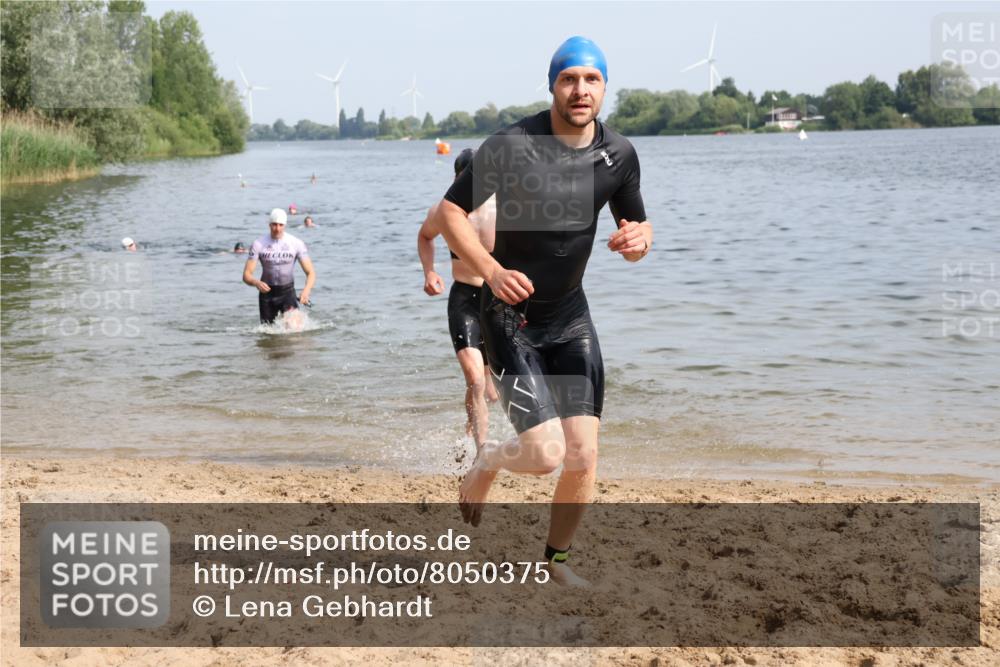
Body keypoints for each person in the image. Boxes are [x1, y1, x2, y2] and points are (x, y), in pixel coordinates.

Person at [433, 36, 653, 585]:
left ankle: (555, 561)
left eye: (592, 79)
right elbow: (451, 212)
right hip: (510, 319)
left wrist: (640, 243)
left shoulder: (619, 155)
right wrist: (488, 268)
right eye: (569, 79)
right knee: (546, 453)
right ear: (553, 85)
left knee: (583, 452)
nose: (581, 90)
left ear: (605, 86)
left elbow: (636, 234)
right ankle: (488, 461)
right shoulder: (512, 145)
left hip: (570, 318)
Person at [418, 149, 499, 454]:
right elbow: (425, 237)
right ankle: (481, 451)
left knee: (493, 391)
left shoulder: (502, 208)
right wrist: (429, 272)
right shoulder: (444, 210)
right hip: (464, 299)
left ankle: (468, 435)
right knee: (475, 380)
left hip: (498, 302)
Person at [242, 208, 316, 324]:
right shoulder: (258, 244)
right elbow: (246, 275)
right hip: (267, 294)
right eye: (274, 225)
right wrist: (256, 283)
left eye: (281, 225)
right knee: (267, 334)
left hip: (287, 292)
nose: (277, 229)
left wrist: (306, 291)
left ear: (285, 225)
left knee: (294, 329)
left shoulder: (296, 243)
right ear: (269, 224)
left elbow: (310, 272)